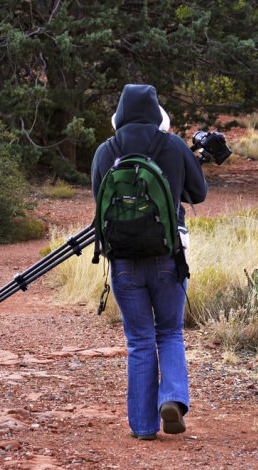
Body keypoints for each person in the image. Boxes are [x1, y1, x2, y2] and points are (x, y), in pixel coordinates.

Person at [91, 84, 208, 441]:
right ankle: (172, 398)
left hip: (124, 262)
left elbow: (99, 199)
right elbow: (199, 193)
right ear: (157, 113)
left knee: (140, 340)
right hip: (168, 257)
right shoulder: (171, 145)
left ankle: (143, 426)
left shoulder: (105, 151)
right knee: (170, 331)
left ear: (119, 115)